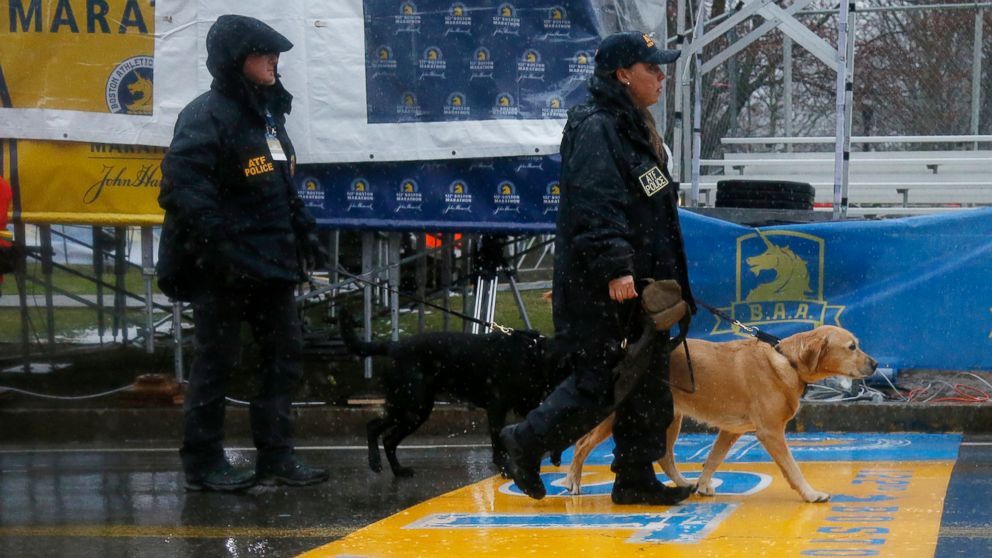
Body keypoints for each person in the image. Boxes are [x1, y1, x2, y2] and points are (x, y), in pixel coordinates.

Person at [500, 31, 696, 505]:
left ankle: (634, 478)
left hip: (643, 286)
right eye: (652, 68)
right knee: (600, 383)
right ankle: (524, 441)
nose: (661, 76)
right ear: (623, 74)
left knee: (647, 384)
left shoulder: (631, 124)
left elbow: (648, 204)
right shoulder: (597, 126)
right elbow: (596, 204)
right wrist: (615, 267)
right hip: (604, 288)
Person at [157, 15, 328, 492]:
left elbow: (279, 184)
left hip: (270, 266)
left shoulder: (265, 114)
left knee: (283, 361)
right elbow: (183, 191)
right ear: (238, 61)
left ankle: (276, 456)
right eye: (264, 53)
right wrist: (222, 249)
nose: (275, 61)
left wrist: (304, 231)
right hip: (223, 270)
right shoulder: (205, 115)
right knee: (217, 363)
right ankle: (203, 463)